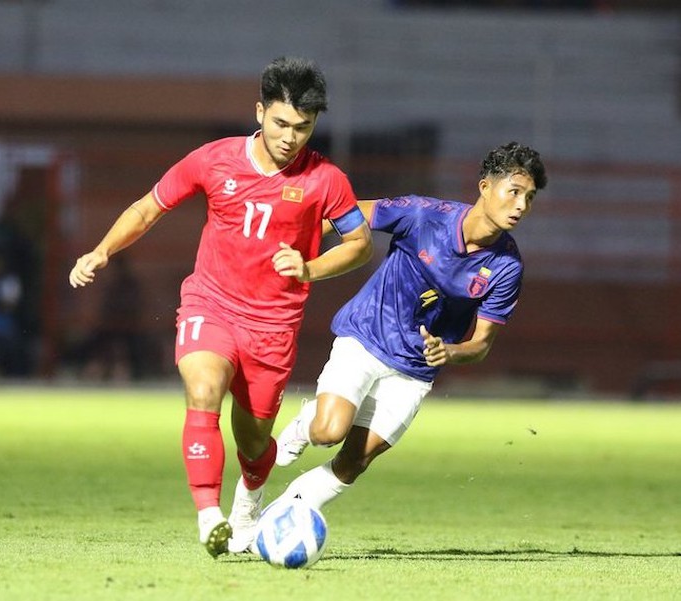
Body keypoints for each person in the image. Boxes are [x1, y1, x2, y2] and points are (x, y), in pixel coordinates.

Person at [68, 56, 374, 557]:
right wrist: (102, 250)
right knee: (204, 388)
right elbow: (149, 207)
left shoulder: (326, 180)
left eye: (303, 127)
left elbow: (359, 245)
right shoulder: (213, 159)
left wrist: (310, 268)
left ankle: (248, 506)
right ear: (259, 111)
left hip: (273, 324)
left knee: (254, 443)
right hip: (211, 303)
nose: (290, 136)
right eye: (280, 123)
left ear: (315, 123)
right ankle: (209, 515)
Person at [272, 141, 547, 512]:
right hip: (367, 336)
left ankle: (286, 515)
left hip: (415, 370)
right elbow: (344, 216)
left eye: (529, 198)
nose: (521, 206)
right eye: (514, 192)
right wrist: (298, 249)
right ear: (485, 186)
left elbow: (481, 345)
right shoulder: (422, 215)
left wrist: (448, 351)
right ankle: (308, 422)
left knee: (353, 462)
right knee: (328, 432)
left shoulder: (507, 267)